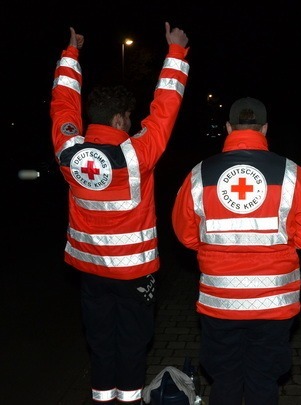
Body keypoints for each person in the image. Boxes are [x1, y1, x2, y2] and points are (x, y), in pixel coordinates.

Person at [50, 23, 189, 404]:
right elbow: (165, 108)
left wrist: (69, 55)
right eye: (128, 117)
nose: (131, 122)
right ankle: (127, 399)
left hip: (89, 270)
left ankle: (100, 398)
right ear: (117, 121)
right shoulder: (137, 155)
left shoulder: (67, 152)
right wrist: (176, 52)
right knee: (132, 342)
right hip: (134, 273)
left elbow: (62, 103)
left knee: (98, 341)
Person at [171, 96, 301, 405]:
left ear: (229, 127)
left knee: (225, 380)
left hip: (220, 304)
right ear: (265, 129)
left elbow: (186, 235)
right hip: (274, 305)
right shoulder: (291, 173)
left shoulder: (200, 173)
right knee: (263, 382)